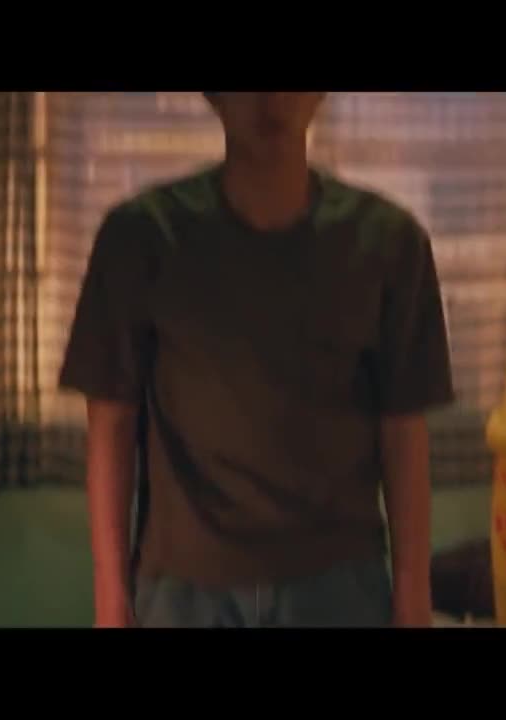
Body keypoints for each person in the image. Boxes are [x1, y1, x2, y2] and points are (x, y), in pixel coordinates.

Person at [59, 92, 455, 628]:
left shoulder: (389, 243)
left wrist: (413, 595)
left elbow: (403, 432)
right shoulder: (141, 237)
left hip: (337, 583)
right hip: (184, 589)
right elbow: (110, 424)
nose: (271, 98)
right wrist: (110, 598)